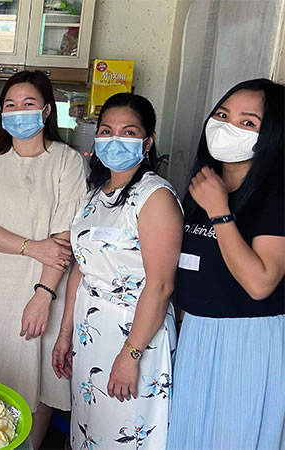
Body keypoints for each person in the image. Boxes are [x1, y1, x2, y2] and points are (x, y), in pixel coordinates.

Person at [0, 70, 87, 448]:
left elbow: (63, 240)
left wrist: (43, 295)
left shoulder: (67, 161)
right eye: (11, 104)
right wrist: (30, 245)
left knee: (38, 375)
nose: (19, 111)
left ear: (45, 112)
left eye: (28, 104)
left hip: (45, 286)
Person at [52, 93, 182, 449]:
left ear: (148, 141)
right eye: (106, 131)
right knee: (90, 429)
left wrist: (131, 354)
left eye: (128, 132)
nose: (115, 140)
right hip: (91, 334)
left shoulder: (155, 198)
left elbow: (160, 285)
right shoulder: (97, 193)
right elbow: (81, 266)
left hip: (134, 335)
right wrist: (65, 334)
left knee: (124, 431)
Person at [167, 79, 285, 449]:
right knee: (191, 436)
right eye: (222, 114)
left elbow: (261, 282)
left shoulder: (275, 195)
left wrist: (220, 213)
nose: (228, 126)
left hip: (246, 341)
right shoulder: (206, 186)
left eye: (247, 122)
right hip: (199, 335)